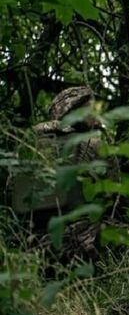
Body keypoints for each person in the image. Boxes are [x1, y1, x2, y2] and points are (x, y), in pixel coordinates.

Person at [9, 86, 105, 266]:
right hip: (79, 242)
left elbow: (10, 189)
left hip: (30, 240)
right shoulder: (93, 144)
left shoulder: (29, 143)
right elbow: (115, 199)